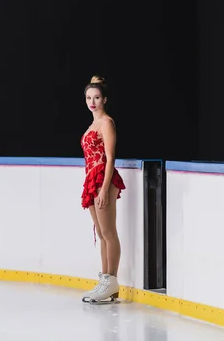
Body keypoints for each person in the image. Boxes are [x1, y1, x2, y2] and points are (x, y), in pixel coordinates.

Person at [80, 75, 126, 303]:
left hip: (102, 180)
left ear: (105, 99)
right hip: (92, 179)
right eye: (89, 97)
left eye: (96, 97)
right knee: (101, 233)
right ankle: (106, 280)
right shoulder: (92, 124)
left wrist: (103, 188)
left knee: (109, 232)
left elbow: (110, 158)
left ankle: (112, 280)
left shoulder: (106, 123)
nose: (92, 101)